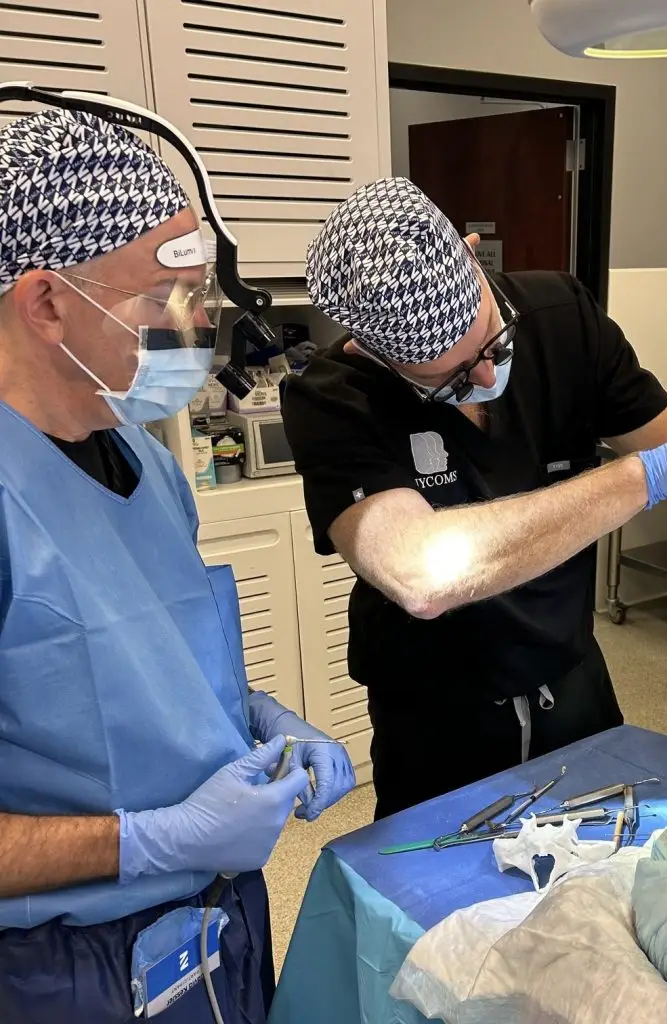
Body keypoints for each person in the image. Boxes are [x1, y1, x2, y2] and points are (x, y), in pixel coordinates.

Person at [282, 175, 667, 819]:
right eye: (451, 379)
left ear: (470, 253)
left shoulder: (562, 317)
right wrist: (645, 477)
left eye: (493, 343)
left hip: (570, 670)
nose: (488, 377)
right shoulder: (332, 398)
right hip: (436, 704)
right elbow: (420, 573)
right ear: (370, 351)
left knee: (606, 869)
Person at [0, 109, 355, 1024]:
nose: (193, 330)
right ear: (45, 303)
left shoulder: (149, 464)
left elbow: (146, 661)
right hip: (60, 967)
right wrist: (148, 841)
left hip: (219, 920)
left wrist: (255, 718)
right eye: (161, 301)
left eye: (198, 298)